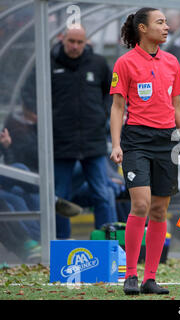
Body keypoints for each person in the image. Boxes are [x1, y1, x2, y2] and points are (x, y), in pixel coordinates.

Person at [110, 7, 180, 295]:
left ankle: (150, 278)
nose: (166, 26)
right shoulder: (125, 63)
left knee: (160, 209)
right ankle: (130, 275)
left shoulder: (172, 62)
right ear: (143, 29)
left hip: (166, 142)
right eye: (159, 22)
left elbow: (178, 108)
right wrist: (116, 144)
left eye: (165, 22)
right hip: (136, 140)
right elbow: (118, 107)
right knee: (141, 205)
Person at [22, 24, 115, 239]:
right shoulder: (47, 63)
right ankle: (61, 244)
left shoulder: (98, 63)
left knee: (102, 194)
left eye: (79, 42)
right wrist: (40, 118)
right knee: (59, 198)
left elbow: (112, 93)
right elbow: (28, 93)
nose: (75, 46)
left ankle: (106, 245)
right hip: (61, 143)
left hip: (93, 142)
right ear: (62, 39)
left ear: (86, 42)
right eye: (71, 41)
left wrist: (105, 114)